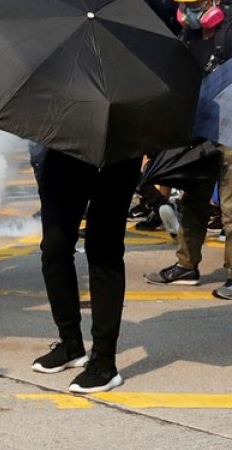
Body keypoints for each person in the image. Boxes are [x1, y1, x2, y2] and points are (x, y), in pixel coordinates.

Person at [144, 0, 232, 299]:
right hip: (200, 129)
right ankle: (186, 265)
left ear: (214, 1)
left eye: (195, 5)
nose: (189, 11)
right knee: (192, 200)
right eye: (185, 5)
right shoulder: (190, 36)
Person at [31, 149, 142, 394]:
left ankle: (104, 362)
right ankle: (70, 344)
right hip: (66, 145)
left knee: (103, 250)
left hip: (120, 149)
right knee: (54, 249)